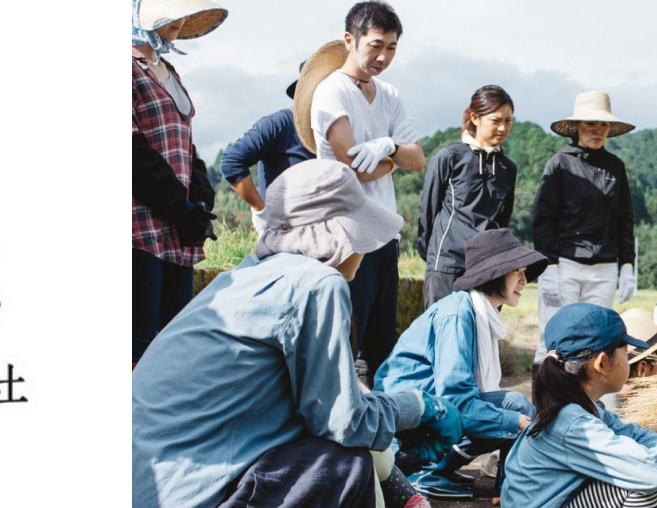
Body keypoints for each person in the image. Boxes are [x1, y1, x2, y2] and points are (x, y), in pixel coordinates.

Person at [132, 159, 463, 508]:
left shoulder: (244, 278)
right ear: (340, 232)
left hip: (146, 484)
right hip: (188, 494)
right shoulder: (316, 282)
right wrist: (420, 406)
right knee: (343, 467)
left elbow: (318, 408)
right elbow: (344, 423)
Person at [297, 1, 427, 385]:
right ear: (350, 40)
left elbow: (418, 159)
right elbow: (352, 165)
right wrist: (392, 158)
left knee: (382, 343)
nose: (383, 56)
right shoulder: (330, 92)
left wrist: (387, 146)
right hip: (346, 235)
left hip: (385, 232)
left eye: (391, 47)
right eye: (375, 45)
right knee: (344, 343)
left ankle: (378, 434)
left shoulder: (389, 94)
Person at [375, 228, 546, 500]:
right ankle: (426, 471)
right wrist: (513, 421)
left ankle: (504, 490)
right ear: (496, 273)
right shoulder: (457, 315)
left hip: (423, 418)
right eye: (518, 271)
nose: (525, 280)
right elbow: (457, 400)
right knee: (516, 409)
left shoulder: (475, 312)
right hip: (404, 432)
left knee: (515, 407)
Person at [504, 303, 657, 508]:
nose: (628, 356)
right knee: (639, 482)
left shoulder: (586, 409)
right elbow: (654, 473)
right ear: (603, 363)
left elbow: (635, 435)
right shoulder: (573, 424)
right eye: (624, 350)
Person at [130, 0, 225, 366]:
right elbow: (131, 150)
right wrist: (178, 207)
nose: (180, 19)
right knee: (140, 341)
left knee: (174, 340)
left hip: (177, 228)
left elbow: (185, 142)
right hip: (141, 227)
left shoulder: (168, 69)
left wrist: (200, 203)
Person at [531, 91, 639, 370]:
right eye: (590, 124)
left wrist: (627, 265)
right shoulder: (560, 164)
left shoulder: (615, 167)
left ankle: (582, 408)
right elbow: (543, 218)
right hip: (564, 265)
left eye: (602, 125)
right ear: (576, 127)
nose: (596, 130)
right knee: (553, 339)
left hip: (604, 268)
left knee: (593, 342)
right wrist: (549, 266)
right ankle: (544, 410)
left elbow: (624, 219)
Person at [416, 85, 519, 305]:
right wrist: (435, 258)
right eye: (496, 120)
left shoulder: (508, 168)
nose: (502, 127)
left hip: (489, 269)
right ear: (475, 118)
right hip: (447, 265)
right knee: (442, 334)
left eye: (508, 121)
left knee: (482, 338)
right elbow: (428, 211)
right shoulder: (449, 157)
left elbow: (503, 220)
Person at [218, 64, 315, 234]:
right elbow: (232, 161)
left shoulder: (337, 129)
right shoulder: (278, 124)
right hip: (285, 234)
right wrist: (261, 210)